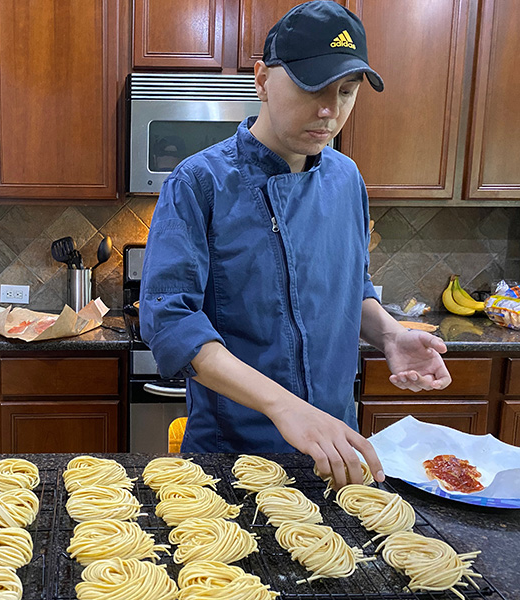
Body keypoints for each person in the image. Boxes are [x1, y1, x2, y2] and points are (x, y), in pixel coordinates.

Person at [139, 1, 452, 489]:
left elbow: (353, 285)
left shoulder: (347, 179)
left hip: (335, 451)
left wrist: (390, 336)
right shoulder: (199, 182)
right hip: (232, 457)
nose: (330, 111)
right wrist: (285, 407)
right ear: (262, 78)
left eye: (346, 93)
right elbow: (170, 321)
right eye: (313, 90)